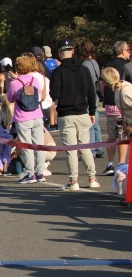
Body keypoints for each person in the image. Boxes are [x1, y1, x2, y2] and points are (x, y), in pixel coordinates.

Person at [50, 40, 99, 191]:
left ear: (60, 54)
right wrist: (92, 111)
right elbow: (91, 92)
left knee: (71, 149)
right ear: (72, 51)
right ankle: (92, 178)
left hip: (66, 114)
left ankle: (73, 180)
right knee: (85, 146)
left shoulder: (58, 72)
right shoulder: (84, 70)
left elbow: (54, 94)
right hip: (82, 112)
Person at [7, 53, 48, 184]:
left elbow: (10, 99)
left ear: (17, 68)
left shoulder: (14, 83)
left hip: (22, 117)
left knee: (26, 146)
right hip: (37, 115)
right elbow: (39, 95)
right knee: (39, 145)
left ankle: (30, 173)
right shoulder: (34, 80)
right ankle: (40, 172)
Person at [100, 41, 130, 176]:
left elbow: (102, 86)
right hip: (122, 107)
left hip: (111, 106)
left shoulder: (108, 65)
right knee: (122, 136)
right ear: (123, 51)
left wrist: (105, 98)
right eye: (128, 50)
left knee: (112, 137)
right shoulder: (126, 66)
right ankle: (121, 164)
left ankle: (111, 164)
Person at [77, 38, 104, 158]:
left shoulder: (84, 65)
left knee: (90, 124)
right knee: (96, 123)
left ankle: (92, 150)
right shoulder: (95, 62)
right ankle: (98, 148)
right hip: (96, 95)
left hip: (88, 96)